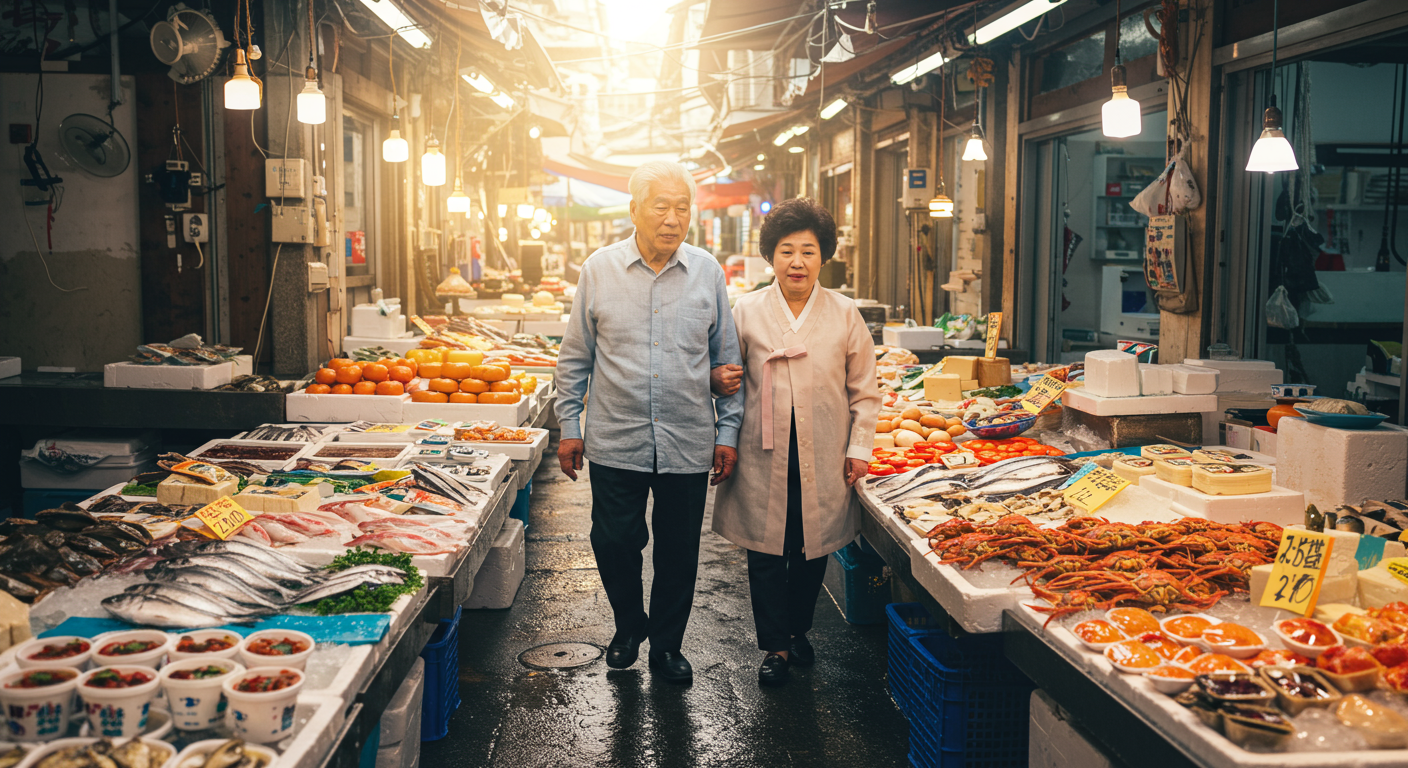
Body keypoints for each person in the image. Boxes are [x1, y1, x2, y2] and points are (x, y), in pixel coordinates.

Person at [554, 160, 744, 685]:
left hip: (687, 437)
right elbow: (575, 359)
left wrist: (727, 433)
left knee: (679, 551)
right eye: (660, 206)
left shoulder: (707, 271)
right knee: (613, 541)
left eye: (682, 207)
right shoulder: (599, 270)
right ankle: (628, 623)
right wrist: (569, 425)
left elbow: (728, 363)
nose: (672, 217)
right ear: (634, 210)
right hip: (616, 437)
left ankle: (665, 645)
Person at [709, 197, 880, 687]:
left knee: (812, 548)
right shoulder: (746, 311)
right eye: (786, 251)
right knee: (765, 550)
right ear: (771, 257)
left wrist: (859, 448)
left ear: (823, 256)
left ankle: (799, 628)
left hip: (823, 450)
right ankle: (776, 647)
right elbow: (727, 379)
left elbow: (865, 391)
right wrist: (718, 391)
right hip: (762, 450)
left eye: (808, 251)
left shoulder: (846, 314)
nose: (797, 262)